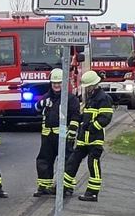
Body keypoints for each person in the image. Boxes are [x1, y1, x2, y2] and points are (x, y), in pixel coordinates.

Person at [62, 70, 113, 201]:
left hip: (95, 140)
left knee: (93, 164)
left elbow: (105, 118)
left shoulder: (103, 98)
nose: (88, 88)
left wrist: (91, 127)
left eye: (89, 86)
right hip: (83, 139)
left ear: (94, 84)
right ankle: (64, 187)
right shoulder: (90, 98)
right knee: (72, 162)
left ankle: (92, 193)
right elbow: (84, 116)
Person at [33, 69, 81, 196]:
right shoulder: (47, 96)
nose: (56, 85)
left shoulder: (71, 99)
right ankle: (44, 186)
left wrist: (72, 131)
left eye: (59, 83)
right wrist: (42, 103)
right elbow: (36, 108)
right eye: (54, 83)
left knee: (66, 160)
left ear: (64, 83)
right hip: (47, 135)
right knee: (44, 160)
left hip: (63, 135)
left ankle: (67, 186)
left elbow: (76, 116)